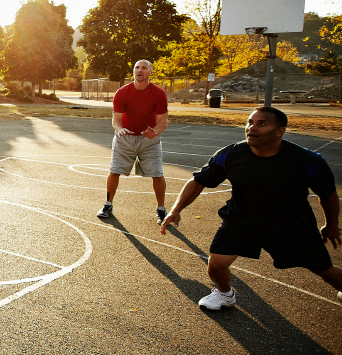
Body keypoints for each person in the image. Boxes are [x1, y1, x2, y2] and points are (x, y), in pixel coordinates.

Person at [160, 107, 342, 310]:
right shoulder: (231, 154)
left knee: (327, 273)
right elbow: (198, 181)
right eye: (249, 122)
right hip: (242, 221)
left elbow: (328, 195)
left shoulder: (307, 161)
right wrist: (176, 209)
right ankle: (224, 294)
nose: (251, 128)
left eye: (261, 124)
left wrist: (331, 224)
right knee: (216, 264)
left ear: (279, 131)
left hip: (292, 225)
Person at [97, 59, 169, 224]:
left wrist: (154, 132)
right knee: (114, 171)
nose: (140, 70)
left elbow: (163, 121)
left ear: (150, 72)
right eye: (137, 67)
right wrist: (119, 129)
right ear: (133, 72)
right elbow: (116, 120)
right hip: (125, 138)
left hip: (149, 139)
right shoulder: (122, 93)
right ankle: (108, 204)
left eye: (144, 68)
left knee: (157, 174)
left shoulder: (158, 93)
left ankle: (161, 209)